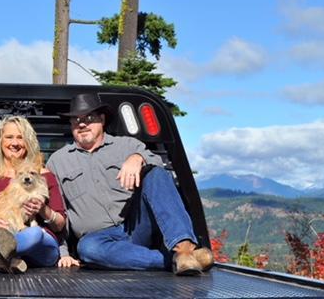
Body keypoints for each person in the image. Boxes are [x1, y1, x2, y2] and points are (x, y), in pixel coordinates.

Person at [47, 93, 214, 275]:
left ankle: (184, 249)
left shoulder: (127, 145)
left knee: (156, 173)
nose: (82, 124)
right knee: (88, 248)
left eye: (89, 118)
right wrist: (62, 253)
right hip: (99, 239)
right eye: (76, 120)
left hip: (136, 227)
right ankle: (179, 260)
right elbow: (57, 209)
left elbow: (158, 166)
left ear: (102, 120)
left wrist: (138, 158)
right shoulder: (57, 161)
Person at [0, 116, 67, 273]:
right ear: (0, 141)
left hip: (38, 247)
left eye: (21, 137)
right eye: (9, 137)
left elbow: (60, 224)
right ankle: (6, 260)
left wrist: (43, 210)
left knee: (34, 234)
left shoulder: (45, 175)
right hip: (2, 232)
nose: (15, 143)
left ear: (28, 142)